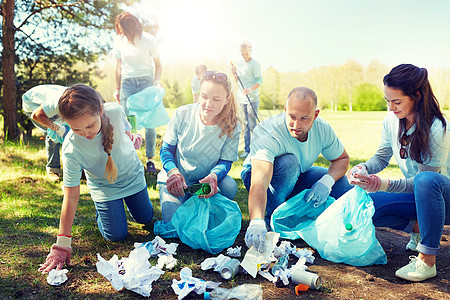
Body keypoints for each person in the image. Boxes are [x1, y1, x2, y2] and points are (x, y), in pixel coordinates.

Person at [347, 64, 449, 282]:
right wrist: (363, 168)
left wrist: (382, 184)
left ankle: (427, 259)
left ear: (417, 97)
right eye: (388, 101)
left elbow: (424, 184)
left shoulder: (438, 128)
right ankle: (421, 228)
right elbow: (381, 158)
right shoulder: (391, 121)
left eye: (397, 101)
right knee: (369, 208)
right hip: (420, 198)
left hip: (443, 200)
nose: (391, 107)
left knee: (425, 179)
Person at [38, 84, 153, 273]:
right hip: (104, 187)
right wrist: (62, 243)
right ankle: (102, 211)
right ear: (67, 124)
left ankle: (125, 208)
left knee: (145, 218)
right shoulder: (71, 148)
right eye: (77, 129)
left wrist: (132, 137)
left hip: (132, 177)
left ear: (100, 110)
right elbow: (71, 196)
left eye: (90, 125)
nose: (86, 134)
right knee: (116, 235)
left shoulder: (115, 111)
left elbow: (126, 129)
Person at [242, 87, 353, 252]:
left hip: (298, 173)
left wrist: (326, 182)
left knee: (344, 186)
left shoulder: (322, 129)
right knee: (289, 162)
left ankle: (302, 214)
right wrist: (256, 221)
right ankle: (272, 220)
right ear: (285, 110)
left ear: (315, 115)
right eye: (292, 117)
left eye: (304, 118)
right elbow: (259, 180)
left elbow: (342, 159)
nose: (296, 125)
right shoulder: (269, 132)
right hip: (259, 173)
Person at [158, 71, 241, 223]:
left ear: (226, 99)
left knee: (229, 186)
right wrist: (174, 172)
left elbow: (225, 161)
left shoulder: (232, 125)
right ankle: (188, 202)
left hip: (204, 184)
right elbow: (166, 150)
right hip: (178, 182)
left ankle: (200, 202)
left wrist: (213, 176)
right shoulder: (182, 114)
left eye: (216, 99)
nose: (208, 104)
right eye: (204, 96)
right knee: (174, 224)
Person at [113, 11, 162, 174]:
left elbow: (158, 65)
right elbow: (118, 68)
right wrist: (117, 89)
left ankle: (150, 161)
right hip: (127, 83)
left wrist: (156, 82)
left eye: (124, 30)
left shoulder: (148, 40)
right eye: (119, 30)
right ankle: (131, 159)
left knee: (149, 123)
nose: (122, 33)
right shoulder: (119, 41)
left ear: (132, 27)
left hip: (146, 82)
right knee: (128, 123)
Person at [22, 84, 68, 182]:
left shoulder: (82, 103)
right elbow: (37, 115)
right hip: (31, 102)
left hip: (46, 98)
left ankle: (80, 169)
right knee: (52, 132)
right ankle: (53, 169)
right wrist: (57, 129)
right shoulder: (59, 102)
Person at [231, 41, 263, 158]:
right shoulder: (239, 64)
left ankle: (255, 149)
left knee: (252, 125)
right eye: (242, 53)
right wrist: (234, 74)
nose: (244, 55)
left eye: (246, 53)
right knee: (244, 125)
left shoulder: (255, 64)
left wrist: (249, 89)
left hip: (252, 98)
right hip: (241, 99)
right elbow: (237, 81)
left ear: (250, 51)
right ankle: (247, 150)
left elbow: (259, 81)